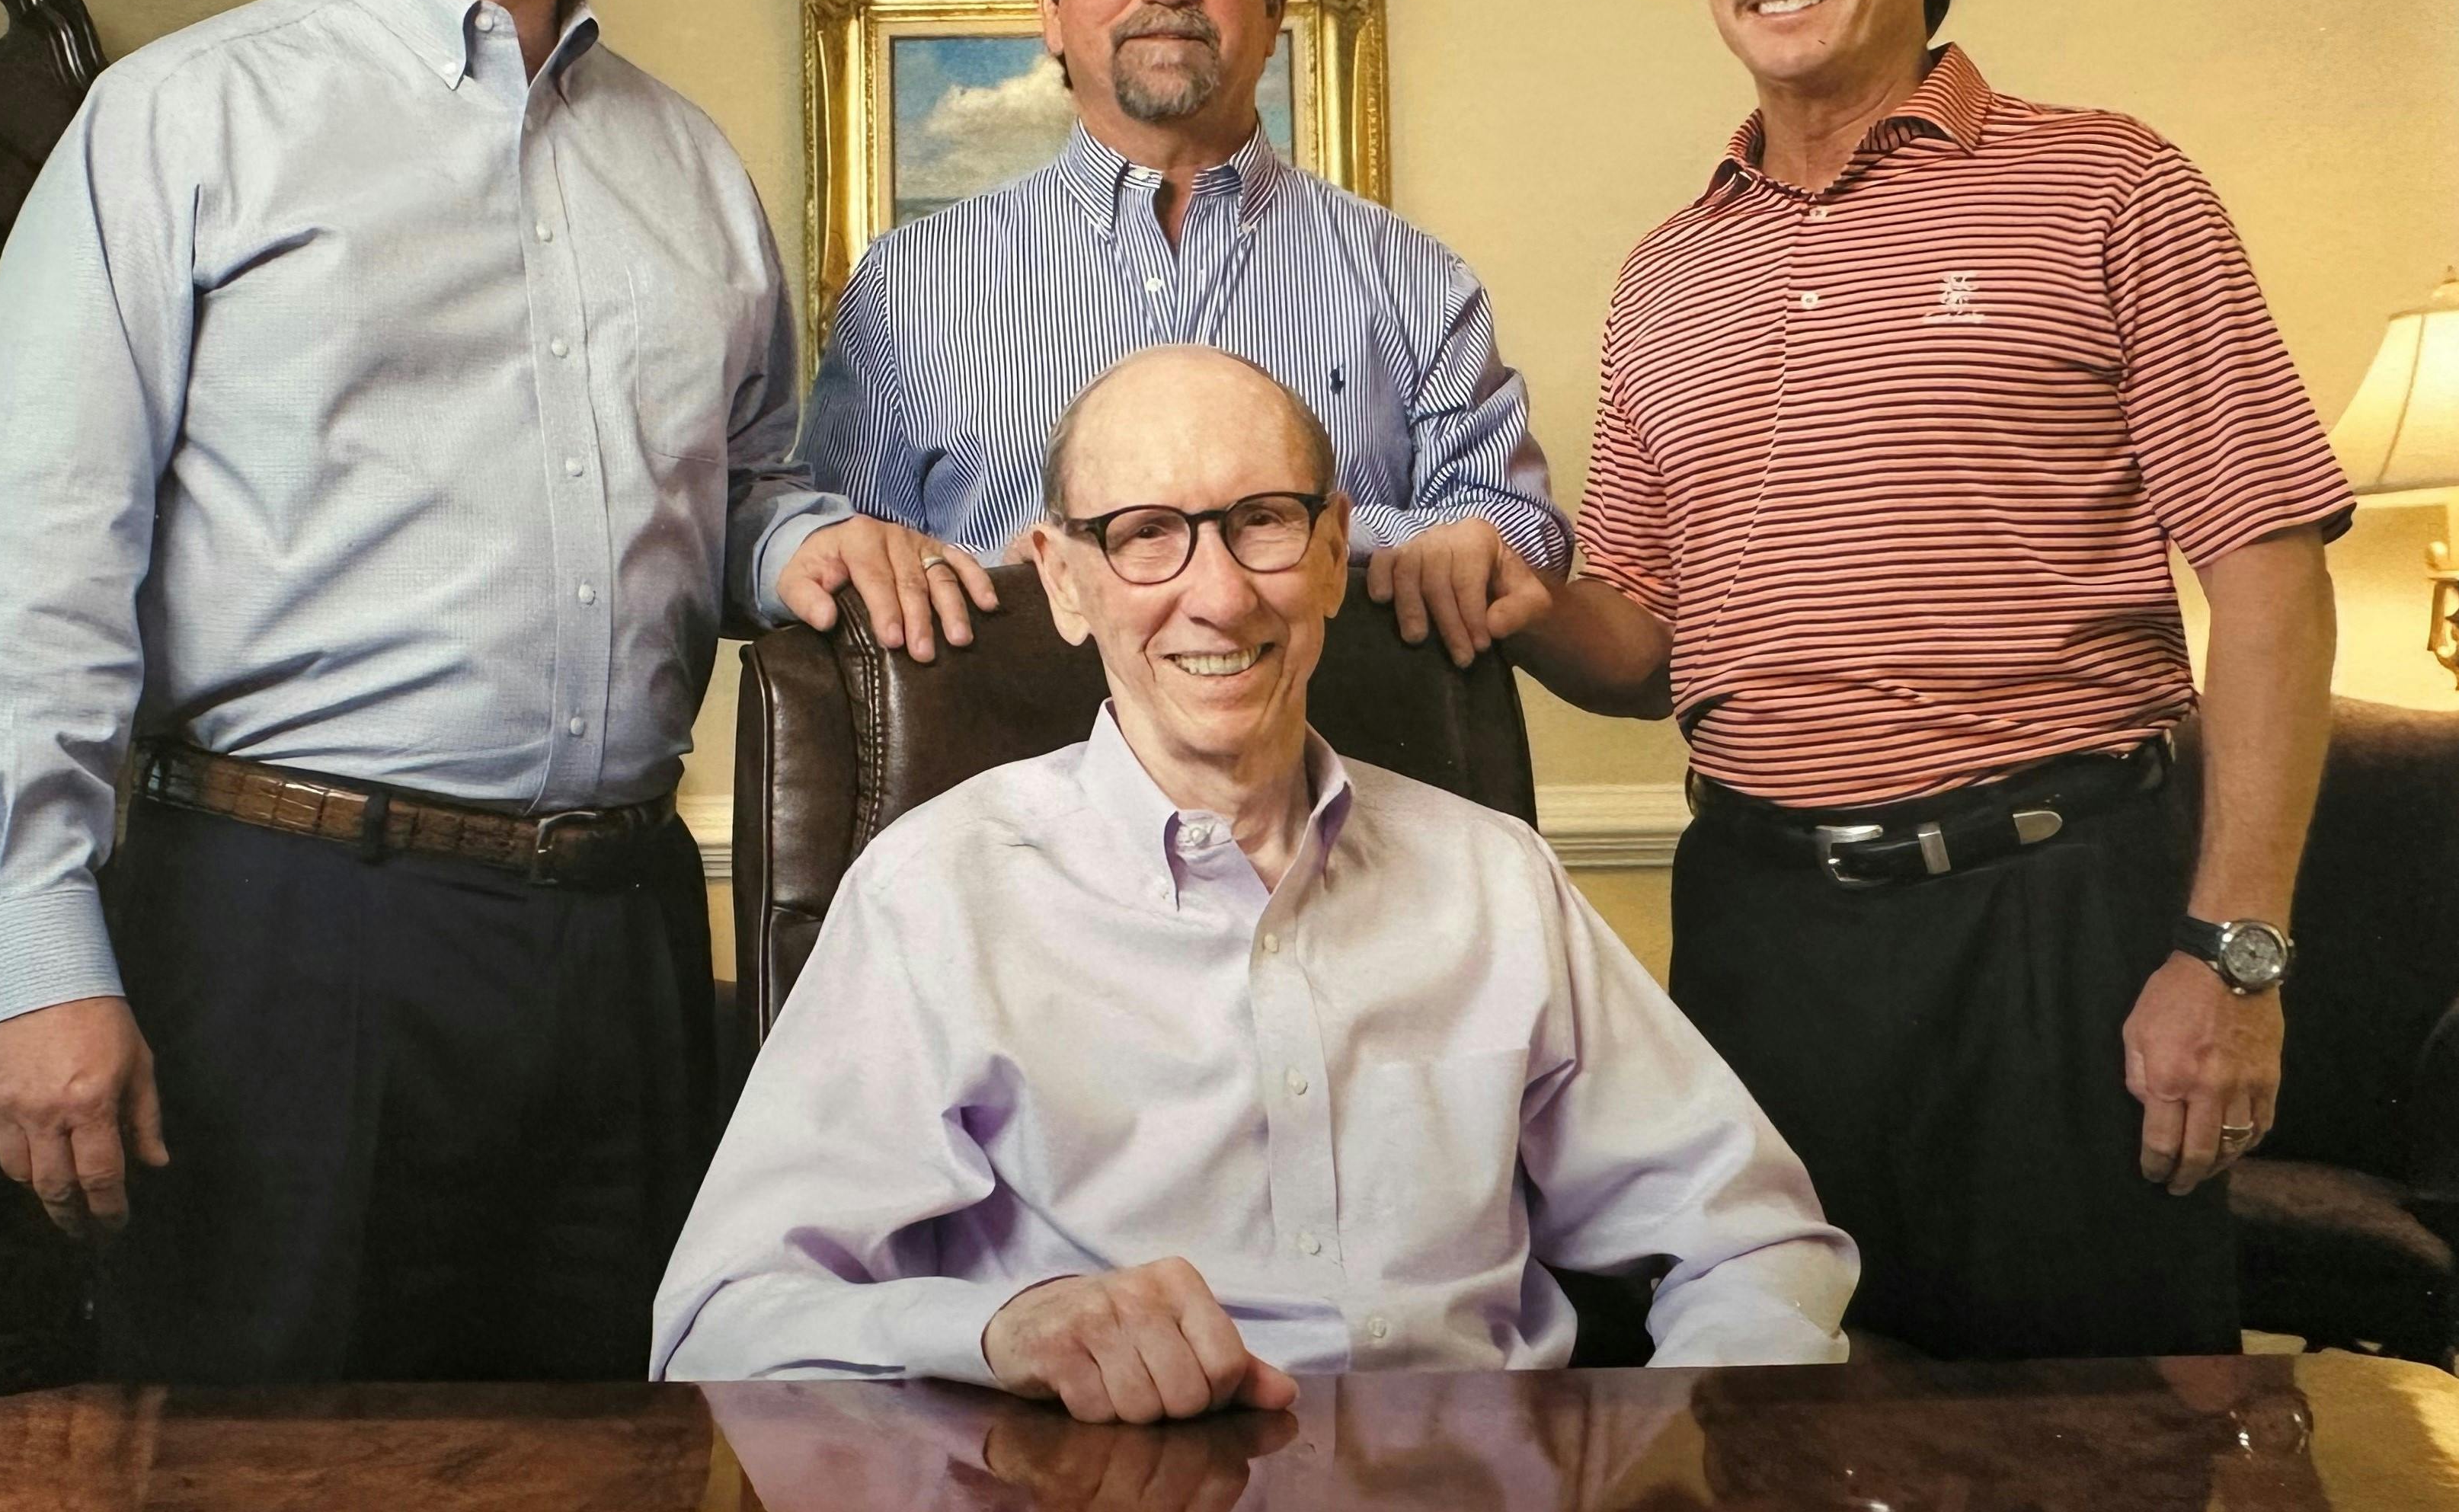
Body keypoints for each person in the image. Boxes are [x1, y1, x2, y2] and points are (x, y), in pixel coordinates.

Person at [0, 0, 994, 1384]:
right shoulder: (180, 124)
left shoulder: (693, 169)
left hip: (624, 948)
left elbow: (737, 492)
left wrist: (803, 543)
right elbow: (30, 564)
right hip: (283, 936)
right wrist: (31, 958)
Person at [1495, 0, 2349, 1357]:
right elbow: (1646, 640)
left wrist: (2233, 956)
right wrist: (1528, 598)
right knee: (1775, 1496)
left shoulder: (2113, 186)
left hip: (2056, 930)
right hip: (1759, 939)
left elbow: (2269, 570)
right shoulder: (1667, 274)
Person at [655, 345, 1856, 1415]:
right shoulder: (935, 894)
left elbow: (1752, 1242)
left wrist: (1673, 1492)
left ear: (1334, 552)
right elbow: (724, 1319)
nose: (1219, 593)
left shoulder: (1494, 882)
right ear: (1063, 582)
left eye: (1263, 523)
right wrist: (993, 1331)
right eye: (1142, 535)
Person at [800, 0, 1571, 670]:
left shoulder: (1415, 282)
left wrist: (1445, 545)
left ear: (1276, 1)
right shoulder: (908, 289)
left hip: (1336, 789)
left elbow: (1522, 535)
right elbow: (843, 555)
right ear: (1049, 6)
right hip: (1012, 787)